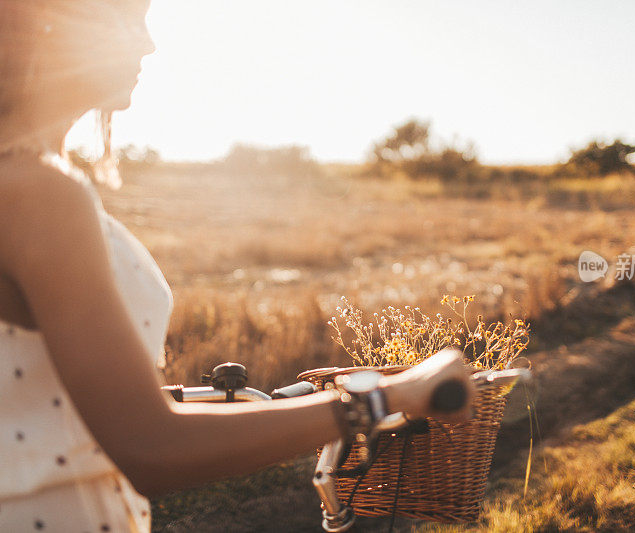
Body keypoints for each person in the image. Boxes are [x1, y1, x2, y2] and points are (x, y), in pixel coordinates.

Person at [0, 1, 474, 530]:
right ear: (43, 22)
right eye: (127, 17)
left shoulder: (28, 181)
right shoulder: (41, 193)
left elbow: (48, 396)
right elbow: (149, 445)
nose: (147, 43)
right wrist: (383, 398)